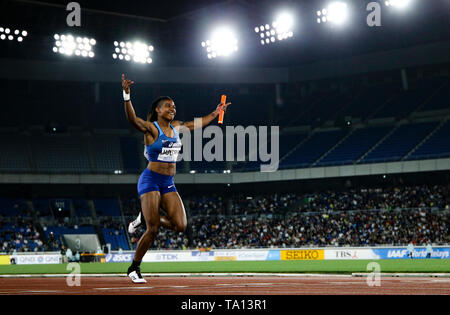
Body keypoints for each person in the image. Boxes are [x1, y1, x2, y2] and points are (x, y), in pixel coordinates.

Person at [121, 74, 230, 283]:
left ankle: (143, 217)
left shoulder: (176, 127)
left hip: (168, 183)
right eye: (168, 106)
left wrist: (216, 113)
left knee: (180, 225)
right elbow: (133, 120)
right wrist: (126, 95)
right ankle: (134, 268)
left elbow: (196, 124)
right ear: (158, 110)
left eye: (174, 106)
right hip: (150, 180)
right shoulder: (152, 128)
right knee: (153, 229)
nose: (173, 109)